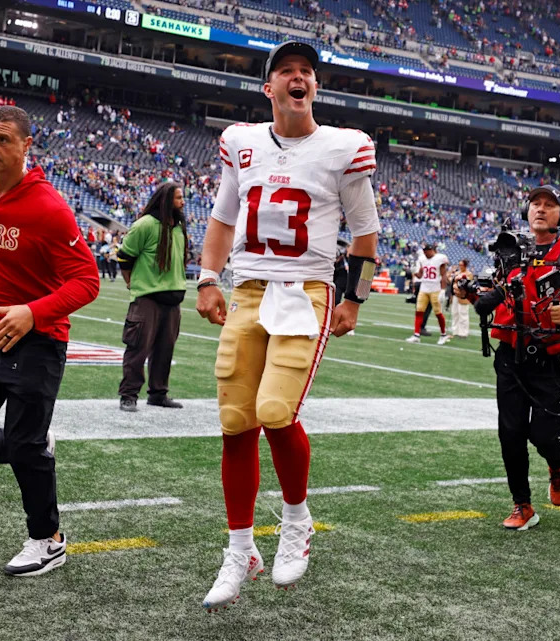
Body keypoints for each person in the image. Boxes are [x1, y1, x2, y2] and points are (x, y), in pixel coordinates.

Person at [195, 40, 379, 611]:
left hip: (307, 291)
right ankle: (240, 547)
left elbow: (365, 234)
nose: (298, 78)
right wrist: (206, 277)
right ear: (268, 87)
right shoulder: (241, 142)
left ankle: (297, 520)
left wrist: (355, 298)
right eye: (286, 72)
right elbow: (224, 217)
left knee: (277, 410)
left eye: (307, 72)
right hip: (248, 286)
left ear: (315, 88)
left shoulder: (343, 148)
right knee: (234, 420)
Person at [0, 106, 99, 576]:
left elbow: (87, 280)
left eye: (3, 140)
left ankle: (48, 540)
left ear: (27, 145)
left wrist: (33, 312)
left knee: (26, 446)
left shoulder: (49, 208)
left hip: (38, 340)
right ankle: (33, 445)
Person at [459, 185, 560, 531]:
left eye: (549, 205)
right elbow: (496, 294)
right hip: (510, 356)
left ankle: (557, 465)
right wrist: (469, 292)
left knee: (543, 435)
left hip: (551, 359)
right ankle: (522, 505)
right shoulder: (510, 250)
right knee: (510, 433)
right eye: (535, 203)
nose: (540, 209)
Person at [116, 182, 187, 412]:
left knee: (166, 349)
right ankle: (129, 395)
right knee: (138, 348)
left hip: (173, 299)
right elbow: (125, 257)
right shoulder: (145, 224)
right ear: (167, 200)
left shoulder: (179, 227)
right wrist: (131, 282)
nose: (182, 202)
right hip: (147, 297)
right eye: (178, 198)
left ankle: (158, 393)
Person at [406, 243, 449, 344]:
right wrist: (414, 271)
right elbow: (420, 275)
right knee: (419, 311)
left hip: (435, 289)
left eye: (427, 251)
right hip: (424, 288)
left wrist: (443, 290)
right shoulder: (422, 259)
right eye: (424, 251)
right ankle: (416, 334)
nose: (425, 253)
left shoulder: (440, 258)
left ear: (432, 250)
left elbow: (443, 275)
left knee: (438, 313)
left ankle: (443, 334)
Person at [450, 259, 473, 338]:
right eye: (459, 265)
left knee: (463, 314)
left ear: (465, 266)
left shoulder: (469, 274)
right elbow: (451, 282)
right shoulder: (457, 273)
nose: (460, 267)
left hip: (463, 297)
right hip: (455, 295)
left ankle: (463, 332)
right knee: (455, 313)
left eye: (461, 265)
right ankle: (455, 330)